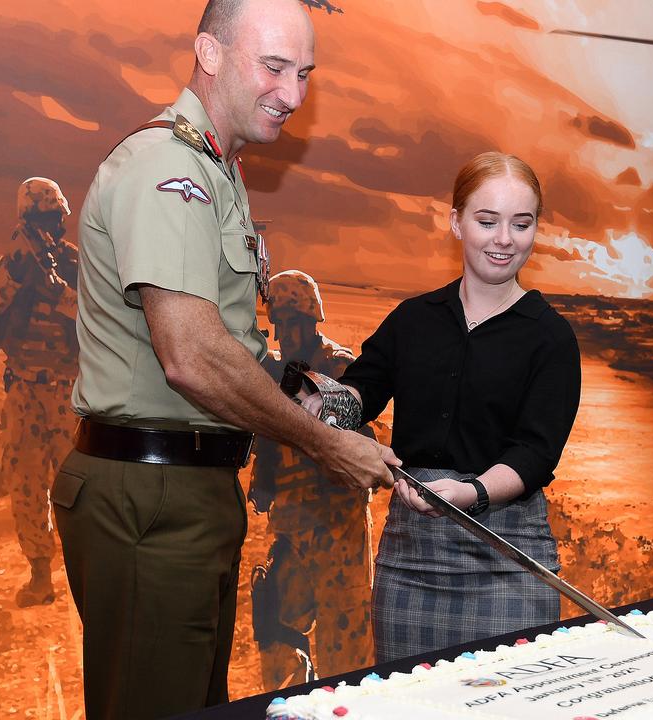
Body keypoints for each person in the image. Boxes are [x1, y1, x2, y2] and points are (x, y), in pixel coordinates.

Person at [51, 1, 397, 717]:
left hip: (189, 486)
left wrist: (313, 394)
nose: (294, 95)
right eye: (273, 67)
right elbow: (193, 356)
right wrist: (326, 446)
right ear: (208, 54)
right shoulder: (168, 168)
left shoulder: (217, 171)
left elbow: (233, 348)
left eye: (304, 74)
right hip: (152, 496)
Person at [334, 151, 581, 663]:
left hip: (508, 557)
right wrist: (324, 405)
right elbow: (360, 390)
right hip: (411, 561)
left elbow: (536, 454)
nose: (504, 239)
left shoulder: (551, 337)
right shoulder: (412, 320)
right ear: (455, 222)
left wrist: (470, 492)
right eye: (487, 221)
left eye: (521, 223)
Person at [250, 270, 375, 687]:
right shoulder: (270, 373)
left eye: (295, 322)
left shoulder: (338, 368)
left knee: (347, 658)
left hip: (339, 532)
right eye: (280, 323)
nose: (286, 332)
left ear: (313, 320)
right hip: (290, 528)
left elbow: (367, 441)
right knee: (276, 633)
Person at [0, 177, 79, 607]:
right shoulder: (15, 263)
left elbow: (97, 317)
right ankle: (40, 574)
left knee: (76, 489)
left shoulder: (76, 265)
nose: (49, 227)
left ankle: (87, 575)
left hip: (66, 390)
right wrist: (17, 274)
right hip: (23, 386)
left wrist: (61, 294)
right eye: (41, 220)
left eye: (53, 218)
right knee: (25, 482)